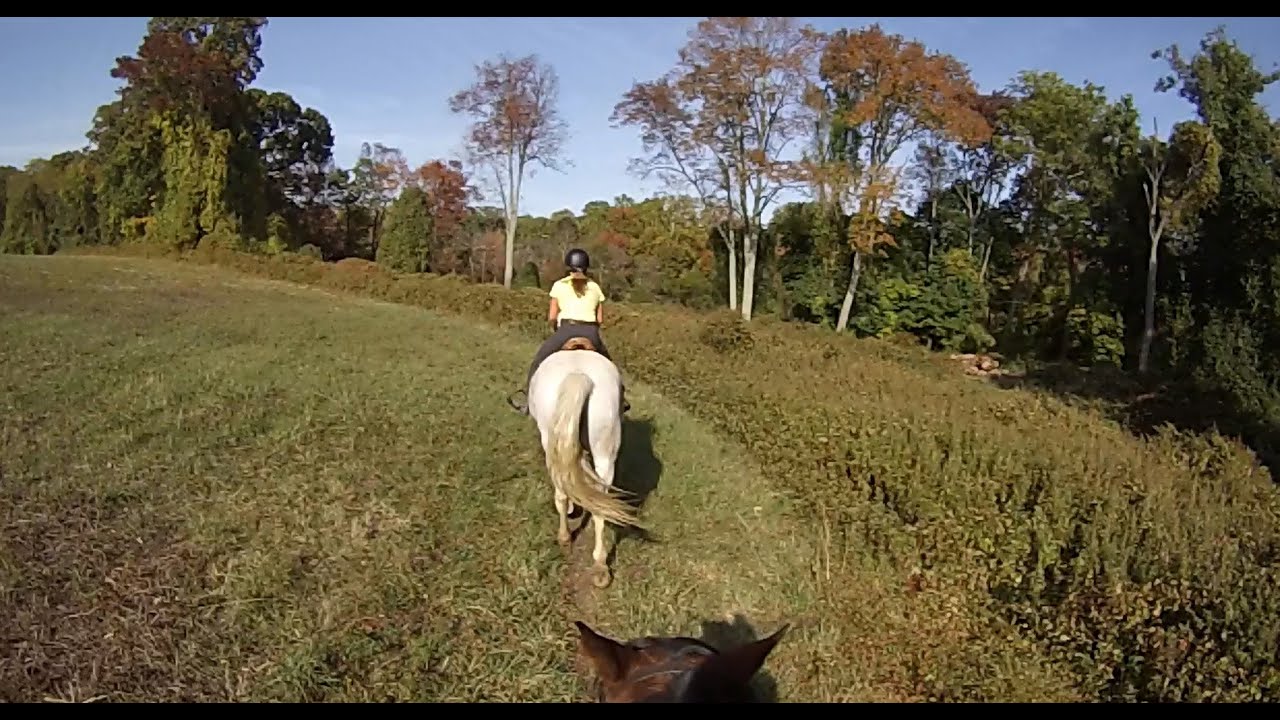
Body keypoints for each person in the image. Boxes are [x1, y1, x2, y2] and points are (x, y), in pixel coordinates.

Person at [513, 248, 629, 415]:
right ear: (586, 267)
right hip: (591, 333)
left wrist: (555, 328)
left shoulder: (559, 286)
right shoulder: (595, 287)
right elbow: (600, 319)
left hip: (566, 330)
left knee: (538, 360)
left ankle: (527, 400)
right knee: (610, 364)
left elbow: (552, 316)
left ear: (568, 267)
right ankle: (621, 398)